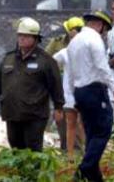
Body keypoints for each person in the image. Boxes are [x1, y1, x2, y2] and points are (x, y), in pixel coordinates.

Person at [0, 17, 65, 151]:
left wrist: (58, 107)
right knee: (15, 146)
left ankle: (33, 172)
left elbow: (56, 86)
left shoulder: (46, 61)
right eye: (20, 35)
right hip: (12, 113)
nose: (22, 38)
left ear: (35, 38)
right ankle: (20, 172)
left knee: (33, 148)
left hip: (35, 114)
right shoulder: (8, 58)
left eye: (26, 36)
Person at [66, 10, 114, 181]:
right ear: (100, 25)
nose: (104, 34)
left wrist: (72, 95)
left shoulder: (74, 42)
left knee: (91, 134)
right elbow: (102, 66)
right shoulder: (94, 39)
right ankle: (82, 171)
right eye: (104, 30)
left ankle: (94, 177)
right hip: (95, 90)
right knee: (103, 129)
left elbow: (70, 72)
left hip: (80, 91)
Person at [49, 16, 86, 154]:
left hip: (79, 89)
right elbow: (50, 62)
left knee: (77, 121)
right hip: (67, 88)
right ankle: (69, 149)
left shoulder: (85, 48)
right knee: (65, 120)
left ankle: (76, 149)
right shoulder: (62, 47)